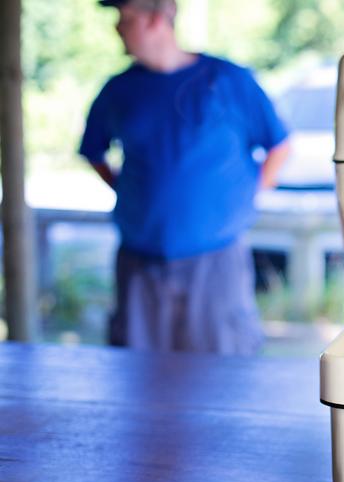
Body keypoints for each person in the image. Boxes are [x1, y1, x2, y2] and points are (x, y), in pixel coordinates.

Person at [79, 0, 290, 355]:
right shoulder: (118, 90)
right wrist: (128, 192)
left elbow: (279, 146)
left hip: (216, 260)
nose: (117, 27)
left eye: (125, 18)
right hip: (140, 260)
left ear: (156, 19)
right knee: (137, 371)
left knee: (221, 369)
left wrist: (245, 197)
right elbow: (93, 152)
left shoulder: (228, 80)